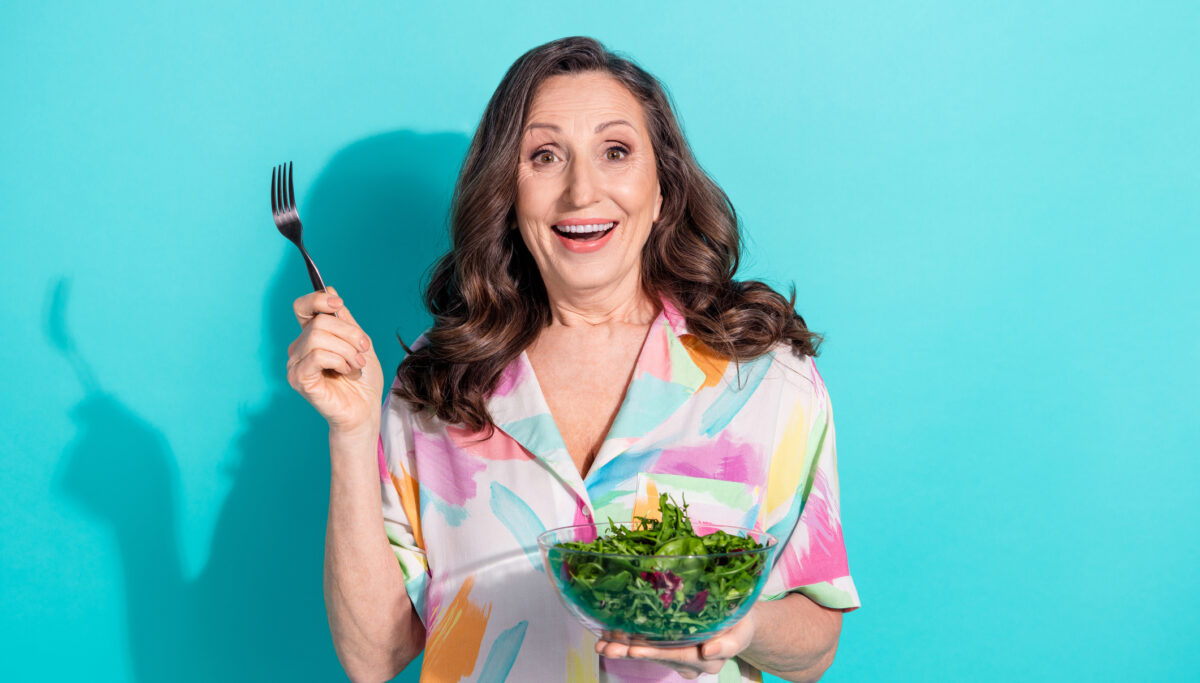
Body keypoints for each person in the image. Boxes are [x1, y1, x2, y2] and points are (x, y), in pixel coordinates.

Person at [287, 36, 859, 683]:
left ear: (663, 189)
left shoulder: (764, 375)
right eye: (545, 156)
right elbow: (374, 657)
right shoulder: (438, 383)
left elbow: (816, 648)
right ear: (508, 195)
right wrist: (353, 430)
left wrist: (743, 626)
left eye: (615, 151)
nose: (582, 191)